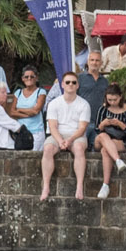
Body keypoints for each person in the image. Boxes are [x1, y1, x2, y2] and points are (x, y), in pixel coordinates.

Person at [39, 70, 91, 201]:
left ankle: (79, 186)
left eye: (74, 82)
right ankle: (46, 186)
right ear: (62, 84)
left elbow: (82, 128)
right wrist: (61, 140)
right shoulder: (54, 103)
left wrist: (70, 140)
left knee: (79, 149)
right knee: (48, 149)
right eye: (67, 82)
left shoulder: (84, 104)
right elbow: (52, 126)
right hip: (58, 134)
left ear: (78, 85)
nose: (71, 85)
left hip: (76, 135)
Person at [92, 87, 126, 197]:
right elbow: (97, 129)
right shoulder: (103, 109)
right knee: (102, 136)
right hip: (101, 139)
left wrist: (120, 124)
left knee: (105, 150)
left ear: (120, 97)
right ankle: (117, 160)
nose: (112, 102)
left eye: (114, 100)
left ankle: (105, 185)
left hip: (119, 141)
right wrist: (104, 124)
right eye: (109, 100)